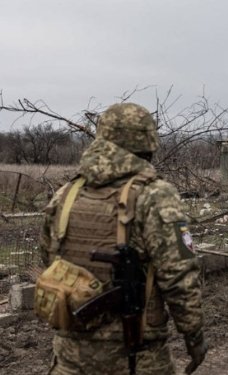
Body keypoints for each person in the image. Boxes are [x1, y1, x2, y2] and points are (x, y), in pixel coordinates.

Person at [38, 103, 207, 374]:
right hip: (134, 357)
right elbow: (179, 276)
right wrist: (194, 335)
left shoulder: (66, 194)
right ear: (148, 141)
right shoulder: (154, 195)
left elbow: (49, 260)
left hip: (69, 357)